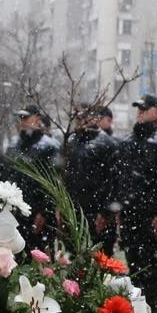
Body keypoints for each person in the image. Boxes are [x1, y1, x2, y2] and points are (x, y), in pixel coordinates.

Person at [122, 94, 157, 313]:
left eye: (145, 109)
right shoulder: (128, 142)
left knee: (155, 268)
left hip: (152, 218)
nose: (140, 112)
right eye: (139, 108)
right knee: (135, 267)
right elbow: (122, 180)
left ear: (156, 112)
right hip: (131, 215)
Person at [62, 105, 122, 253]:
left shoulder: (107, 144)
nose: (79, 121)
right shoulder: (71, 142)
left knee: (99, 257)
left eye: (83, 117)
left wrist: (106, 212)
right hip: (74, 211)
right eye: (77, 117)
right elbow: (65, 177)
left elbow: (114, 182)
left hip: (97, 212)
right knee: (75, 256)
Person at [11, 105, 60, 252]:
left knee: (40, 256)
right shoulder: (14, 146)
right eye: (20, 118)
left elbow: (53, 182)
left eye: (26, 117)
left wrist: (45, 211)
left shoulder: (49, 147)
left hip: (39, 213)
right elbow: (9, 176)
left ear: (37, 119)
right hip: (17, 211)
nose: (22, 121)